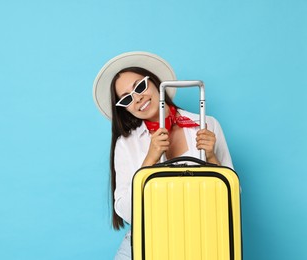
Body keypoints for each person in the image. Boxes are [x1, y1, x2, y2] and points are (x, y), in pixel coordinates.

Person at [93, 51, 233, 259]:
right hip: (145, 243)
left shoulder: (207, 125)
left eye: (140, 87)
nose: (138, 98)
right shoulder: (126, 144)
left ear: (156, 83)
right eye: (127, 99)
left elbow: (231, 198)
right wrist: (150, 159)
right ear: (125, 109)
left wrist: (212, 157)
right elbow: (128, 212)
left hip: (199, 241)